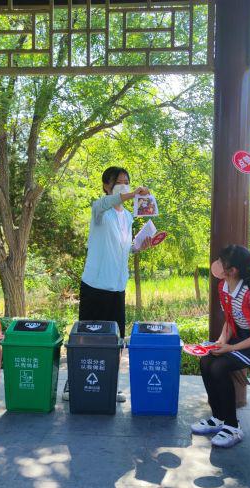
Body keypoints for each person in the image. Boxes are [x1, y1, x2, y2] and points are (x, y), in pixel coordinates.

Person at [62, 166, 152, 402]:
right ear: (106, 186)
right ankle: (73, 384)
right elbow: (106, 204)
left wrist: (138, 246)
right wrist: (132, 195)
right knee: (86, 339)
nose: (124, 186)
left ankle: (110, 383)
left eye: (127, 182)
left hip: (117, 286)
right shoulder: (100, 209)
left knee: (116, 340)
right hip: (94, 286)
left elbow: (124, 247)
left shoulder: (128, 216)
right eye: (119, 182)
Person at [191, 245, 250, 448]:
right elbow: (230, 320)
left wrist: (231, 349)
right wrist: (221, 341)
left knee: (219, 367)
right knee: (207, 361)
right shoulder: (224, 287)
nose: (216, 265)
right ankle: (218, 418)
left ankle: (233, 426)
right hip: (242, 339)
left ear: (232, 270)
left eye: (221, 262)